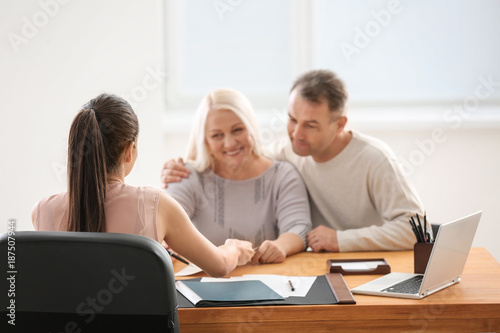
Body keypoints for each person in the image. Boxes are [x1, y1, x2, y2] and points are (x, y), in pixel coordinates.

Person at [161, 70, 425, 252]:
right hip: (320, 264)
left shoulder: (375, 160)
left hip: (370, 265)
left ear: (340, 124)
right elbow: (241, 157)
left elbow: (416, 231)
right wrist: (179, 167)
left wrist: (341, 240)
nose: (296, 134)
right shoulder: (288, 152)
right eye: (292, 119)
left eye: (310, 125)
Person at [32, 93, 254, 277]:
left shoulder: (41, 211)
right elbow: (219, 266)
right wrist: (233, 248)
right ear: (129, 151)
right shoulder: (156, 206)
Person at [163, 88, 311, 264]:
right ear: (206, 141)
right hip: (203, 281)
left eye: (237, 130)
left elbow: (299, 227)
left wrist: (281, 246)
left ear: (251, 128)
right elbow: (165, 223)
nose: (230, 143)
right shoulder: (187, 175)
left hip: (266, 277)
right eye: (217, 135)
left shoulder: (282, 175)